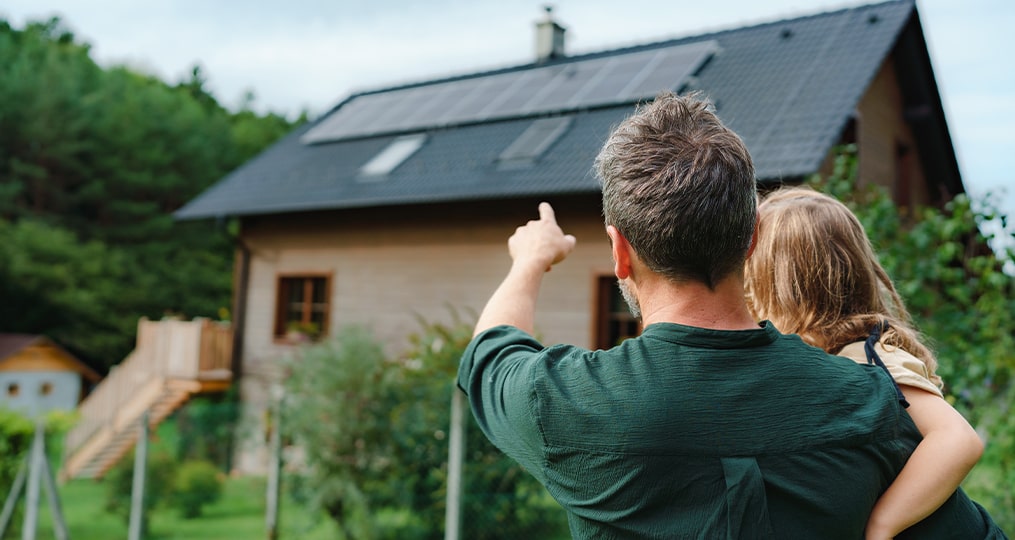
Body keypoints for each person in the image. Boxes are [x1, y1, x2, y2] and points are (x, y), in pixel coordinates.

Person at [457, 91, 1006, 539]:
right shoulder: (868, 401)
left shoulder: (562, 402)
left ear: (619, 251)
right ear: (750, 240)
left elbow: (493, 346)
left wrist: (530, 262)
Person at [744, 186, 1005, 539]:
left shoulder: (869, 356)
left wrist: (882, 526)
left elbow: (957, 439)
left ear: (776, 285)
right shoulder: (829, 358)